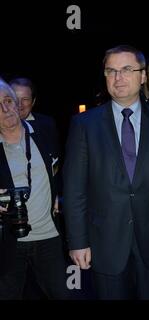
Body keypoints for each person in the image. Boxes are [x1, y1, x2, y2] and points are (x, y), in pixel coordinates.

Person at [63, 45, 149, 299]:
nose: (118, 78)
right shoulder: (84, 124)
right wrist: (77, 241)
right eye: (110, 71)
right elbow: (74, 188)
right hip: (104, 243)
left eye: (126, 69)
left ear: (143, 76)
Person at [0, 80, 69, 299]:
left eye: (8, 100)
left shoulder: (45, 129)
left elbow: (63, 167)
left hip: (49, 237)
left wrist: (59, 194)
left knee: (62, 295)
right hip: (8, 242)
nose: (7, 108)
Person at [9, 78, 59, 150]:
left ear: (33, 102)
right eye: (14, 98)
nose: (19, 105)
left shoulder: (47, 124)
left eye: (25, 99)